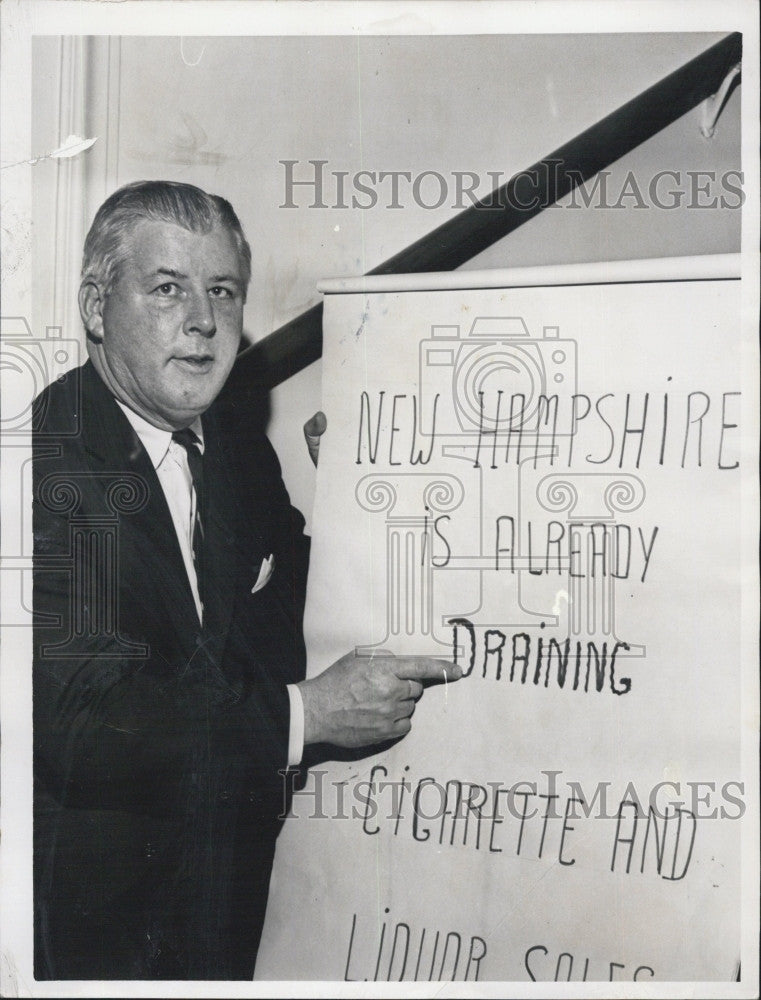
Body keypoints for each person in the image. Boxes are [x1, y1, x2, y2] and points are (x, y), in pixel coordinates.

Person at [32, 180, 460, 981]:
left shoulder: (230, 442)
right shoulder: (41, 465)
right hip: (93, 941)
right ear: (96, 306)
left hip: (230, 916)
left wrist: (363, 486)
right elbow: (91, 727)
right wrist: (309, 714)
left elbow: (295, 591)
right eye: (167, 289)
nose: (204, 320)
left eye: (222, 291)